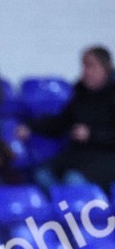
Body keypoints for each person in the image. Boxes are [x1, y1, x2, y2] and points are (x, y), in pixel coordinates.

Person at [17, 46, 115, 190]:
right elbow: (62, 122)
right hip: (79, 154)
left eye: (91, 66)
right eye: (84, 66)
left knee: (73, 180)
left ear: (105, 69)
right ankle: (61, 210)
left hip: (107, 156)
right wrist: (31, 126)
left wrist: (91, 134)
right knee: (42, 174)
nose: (86, 72)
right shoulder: (80, 92)